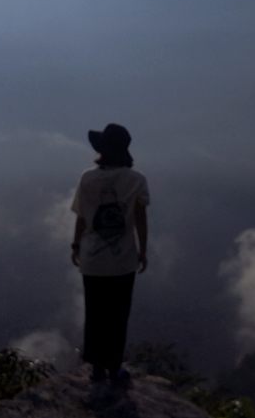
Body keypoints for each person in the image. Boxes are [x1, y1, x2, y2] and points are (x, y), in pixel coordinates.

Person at [71, 123, 149, 384]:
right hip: (122, 260)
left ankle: (96, 367)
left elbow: (82, 217)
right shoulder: (136, 180)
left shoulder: (87, 178)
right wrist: (143, 251)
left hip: (92, 259)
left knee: (94, 313)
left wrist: (75, 245)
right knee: (117, 315)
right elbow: (140, 219)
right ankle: (114, 367)